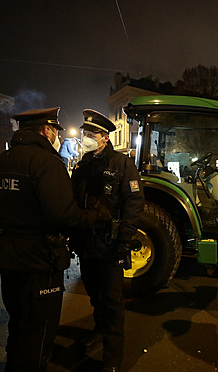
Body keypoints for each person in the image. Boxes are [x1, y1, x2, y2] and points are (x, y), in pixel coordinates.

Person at [0, 107, 109, 371]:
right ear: (46, 130)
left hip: (9, 255)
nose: (56, 137)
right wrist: (94, 215)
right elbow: (64, 215)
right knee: (39, 331)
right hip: (40, 258)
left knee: (17, 324)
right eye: (55, 131)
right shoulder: (46, 163)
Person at [71, 110, 144, 372]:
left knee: (112, 301)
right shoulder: (83, 165)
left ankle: (112, 357)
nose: (86, 138)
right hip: (87, 244)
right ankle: (99, 329)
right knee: (94, 294)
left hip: (111, 244)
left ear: (104, 137)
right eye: (85, 134)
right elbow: (74, 200)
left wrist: (124, 241)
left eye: (91, 134)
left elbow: (134, 204)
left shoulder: (122, 164)